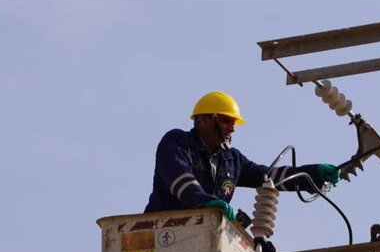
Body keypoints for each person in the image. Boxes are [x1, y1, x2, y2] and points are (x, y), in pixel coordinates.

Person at [146, 91, 343, 216]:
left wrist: (311, 174)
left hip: (201, 237)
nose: (232, 129)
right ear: (203, 120)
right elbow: (181, 180)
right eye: (225, 121)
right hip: (159, 232)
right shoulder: (177, 142)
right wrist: (205, 202)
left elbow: (269, 177)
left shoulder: (232, 160)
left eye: (234, 123)